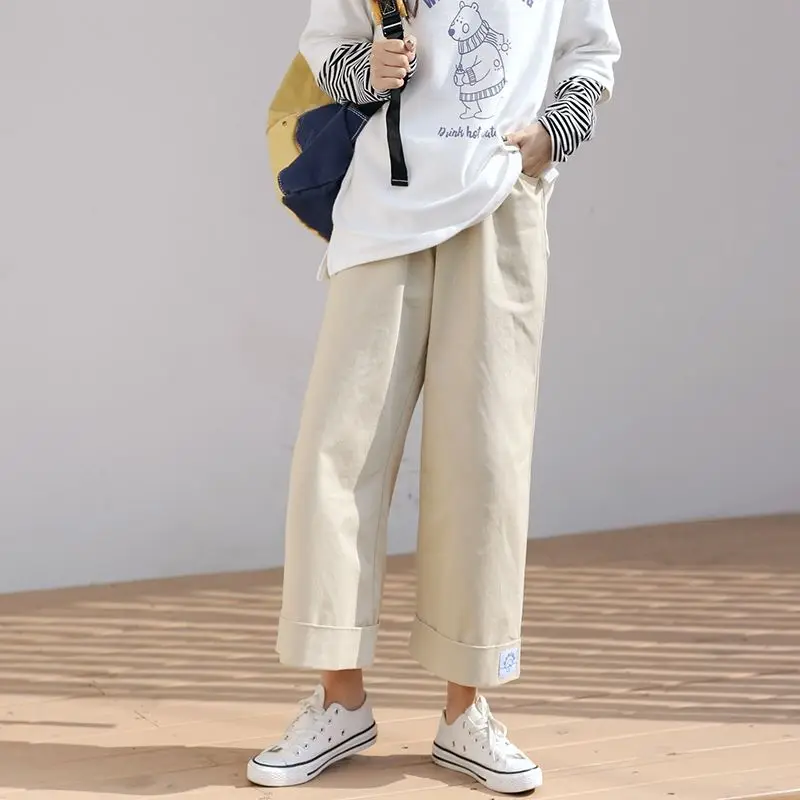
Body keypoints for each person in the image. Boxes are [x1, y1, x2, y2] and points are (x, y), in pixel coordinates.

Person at [248, 0, 620, 792]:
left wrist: (553, 135)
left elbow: (592, 51)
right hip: (384, 208)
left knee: (484, 459)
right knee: (337, 454)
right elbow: (326, 47)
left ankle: (467, 710)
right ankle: (340, 700)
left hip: (499, 205)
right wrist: (368, 69)